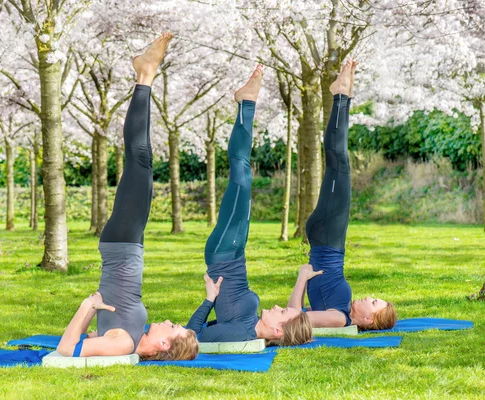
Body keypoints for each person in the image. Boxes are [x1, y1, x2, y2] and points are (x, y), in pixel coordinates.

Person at [57, 32, 198, 360]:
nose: (168, 321)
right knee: (142, 159)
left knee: (140, 157)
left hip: (121, 245)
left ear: (165, 345)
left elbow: (67, 349)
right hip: (128, 244)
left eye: (173, 327)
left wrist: (87, 307)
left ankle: (145, 74)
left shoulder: (123, 344)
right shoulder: (130, 339)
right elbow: (94, 335)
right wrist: (93, 322)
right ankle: (144, 74)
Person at [186, 64, 314, 346]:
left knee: (242, 177)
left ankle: (248, 103)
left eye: (282, 312)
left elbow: (192, 336)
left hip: (223, 253)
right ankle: (247, 102)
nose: (279, 306)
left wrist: (209, 299)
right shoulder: (248, 324)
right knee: (243, 176)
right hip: (234, 252)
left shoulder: (242, 333)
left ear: (277, 332)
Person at [286, 61, 397, 331]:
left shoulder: (338, 317)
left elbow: (292, 319)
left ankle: (341, 96)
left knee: (339, 163)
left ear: (369, 319)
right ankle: (343, 96)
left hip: (327, 238)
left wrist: (302, 278)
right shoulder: (341, 310)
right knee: (339, 163)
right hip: (329, 238)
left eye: (373, 302)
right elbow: (302, 311)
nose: (369, 296)